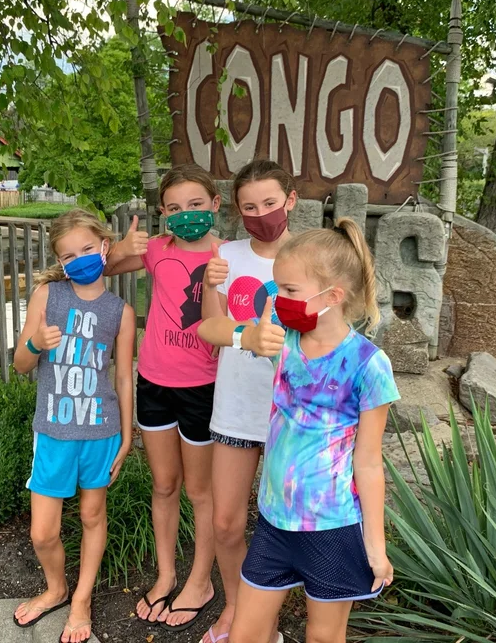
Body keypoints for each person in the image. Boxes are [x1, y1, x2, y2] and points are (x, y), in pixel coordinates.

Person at [197, 220, 399, 643]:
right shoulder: (282, 340)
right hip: (274, 521)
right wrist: (247, 336)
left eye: (289, 290)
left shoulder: (368, 363)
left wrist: (375, 548)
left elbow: (369, 462)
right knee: (244, 636)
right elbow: (207, 329)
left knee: (324, 637)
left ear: (333, 296)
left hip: (333, 527)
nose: (277, 298)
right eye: (276, 288)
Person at [104, 164, 224, 631]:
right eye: (174, 208)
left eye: (196, 204)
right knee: (164, 485)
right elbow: (106, 267)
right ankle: (167, 572)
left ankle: (201, 579)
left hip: (205, 388)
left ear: (215, 205)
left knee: (200, 490)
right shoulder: (156, 250)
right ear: (162, 213)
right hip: (154, 383)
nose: (186, 214)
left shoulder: (226, 256)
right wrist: (119, 248)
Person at [12, 209, 136, 643]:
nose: (79, 259)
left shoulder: (120, 312)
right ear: (60, 263)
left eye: (87, 249)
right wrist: (34, 343)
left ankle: (80, 599)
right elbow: (20, 364)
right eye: (69, 255)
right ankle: (56, 587)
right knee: (42, 532)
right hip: (53, 432)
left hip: (100, 432)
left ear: (105, 247)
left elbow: (122, 377)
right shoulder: (49, 296)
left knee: (91, 514)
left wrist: (126, 434)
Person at [199, 159, 298, 643]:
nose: (261, 213)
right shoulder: (226, 256)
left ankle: (265, 622)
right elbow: (208, 327)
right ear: (237, 211)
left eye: (270, 203)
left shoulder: (313, 255)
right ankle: (237, 608)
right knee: (225, 522)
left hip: (294, 415)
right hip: (236, 407)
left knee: (278, 529)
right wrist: (247, 336)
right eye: (250, 206)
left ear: (291, 201)